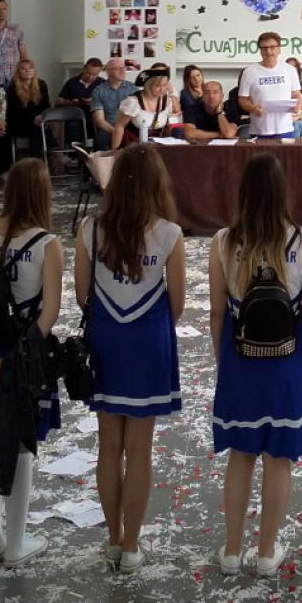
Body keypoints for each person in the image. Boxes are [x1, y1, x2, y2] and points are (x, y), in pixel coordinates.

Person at [76, 144, 187, 572]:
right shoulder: (169, 233)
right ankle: (133, 546)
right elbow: (177, 303)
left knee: (109, 446)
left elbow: (82, 294)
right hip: (148, 340)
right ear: (157, 183)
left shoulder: (90, 229)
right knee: (140, 450)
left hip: (106, 338)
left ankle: (113, 538)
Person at [210, 155, 302, 576]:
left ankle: (232, 550)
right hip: (288, 362)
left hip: (241, 361)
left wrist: (224, 362)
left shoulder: (224, 241)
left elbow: (217, 312)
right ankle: (267, 552)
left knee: (241, 455)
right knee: (277, 458)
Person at [0, 158, 63, 566]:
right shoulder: (47, 245)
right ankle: (18, 542)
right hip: (24, 357)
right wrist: (18, 359)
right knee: (21, 442)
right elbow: (50, 312)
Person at [237, 31, 302, 140]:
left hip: (285, 129)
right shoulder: (249, 72)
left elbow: (297, 94)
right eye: (264, 48)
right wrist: (253, 108)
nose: (268, 52)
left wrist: (298, 104)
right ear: (260, 50)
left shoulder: (290, 70)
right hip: (260, 130)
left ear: (279, 49)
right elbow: (242, 100)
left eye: (272, 47)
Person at [118, 64, 183, 146]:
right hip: (133, 146)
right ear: (149, 85)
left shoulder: (167, 102)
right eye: (157, 86)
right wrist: (115, 150)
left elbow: (167, 130)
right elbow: (119, 127)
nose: (161, 89)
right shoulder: (133, 102)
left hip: (157, 146)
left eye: (164, 85)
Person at [5, 58, 51, 162]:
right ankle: (42, 160)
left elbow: (46, 105)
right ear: (18, 72)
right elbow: (15, 111)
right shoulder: (12, 87)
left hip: (40, 121)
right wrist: (34, 118)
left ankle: (38, 161)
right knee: (38, 129)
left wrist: (43, 117)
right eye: (23, 69)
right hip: (19, 123)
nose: (28, 71)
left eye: (31, 68)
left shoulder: (41, 84)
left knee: (44, 127)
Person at [90, 57, 137, 151]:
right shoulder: (99, 91)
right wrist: (117, 132)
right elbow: (99, 120)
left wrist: (123, 132)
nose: (122, 71)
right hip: (109, 128)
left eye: (123, 68)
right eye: (118, 69)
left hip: (130, 128)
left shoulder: (133, 88)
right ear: (108, 72)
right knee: (100, 139)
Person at [183, 77, 246, 142]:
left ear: (222, 96)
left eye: (215, 92)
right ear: (203, 96)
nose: (211, 96)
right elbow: (189, 133)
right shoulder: (192, 109)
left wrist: (219, 113)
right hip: (200, 146)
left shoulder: (230, 109)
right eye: (207, 93)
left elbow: (229, 134)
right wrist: (218, 135)